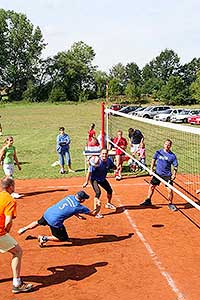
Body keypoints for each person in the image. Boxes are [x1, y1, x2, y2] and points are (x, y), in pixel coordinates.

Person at [18, 190, 99, 247]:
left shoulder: (70, 197)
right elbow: (94, 213)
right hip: (55, 221)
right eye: (84, 199)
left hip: (48, 213)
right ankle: (44, 238)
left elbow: (69, 208)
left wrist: (77, 215)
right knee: (62, 238)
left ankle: (24, 228)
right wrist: (98, 206)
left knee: (38, 222)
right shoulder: (78, 206)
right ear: (81, 199)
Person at [0, 177, 32, 293]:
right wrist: (6, 231)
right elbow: (8, 221)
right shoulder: (10, 200)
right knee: (17, 251)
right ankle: (17, 284)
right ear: (10, 187)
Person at [140, 139, 178, 210]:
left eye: (169, 145)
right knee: (151, 186)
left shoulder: (172, 156)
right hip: (157, 174)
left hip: (167, 175)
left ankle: (170, 203)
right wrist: (151, 169)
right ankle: (148, 200)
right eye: (166, 144)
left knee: (170, 190)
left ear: (170, 146)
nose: (167, 146)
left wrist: (174, 174)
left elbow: (175, 166)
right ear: (164, 145)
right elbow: (153, 159)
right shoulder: (159, 152)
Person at [83, 148, 118, 218]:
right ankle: (96, 212)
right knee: (98, 192)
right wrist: (86, 182)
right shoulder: (96, 162)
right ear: (100, 154)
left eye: (106, 154)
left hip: (102, 179)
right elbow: (89, 172)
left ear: (108, 154)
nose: (104, 155)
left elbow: (113, 167)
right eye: (103, 154)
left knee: (109, 190)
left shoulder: (109, 160)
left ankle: (108, 203)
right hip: (94, 179)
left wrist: (116, 168)